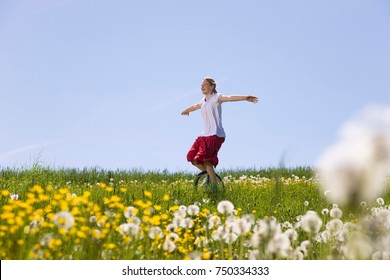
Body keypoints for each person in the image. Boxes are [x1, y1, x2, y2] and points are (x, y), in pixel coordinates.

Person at [181, 77, 258, 190]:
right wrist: (187, 110)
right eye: (201, 85)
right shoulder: (203, 101)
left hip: (215, 134)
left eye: (205, 84)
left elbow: (230, 97)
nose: (202, 86)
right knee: (192, 157)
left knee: (206, 159)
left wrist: (245, 97)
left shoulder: (216, 97)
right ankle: (210, 177)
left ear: (212, 87)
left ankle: (214, 186)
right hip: (204, 135)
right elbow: (195, 106)